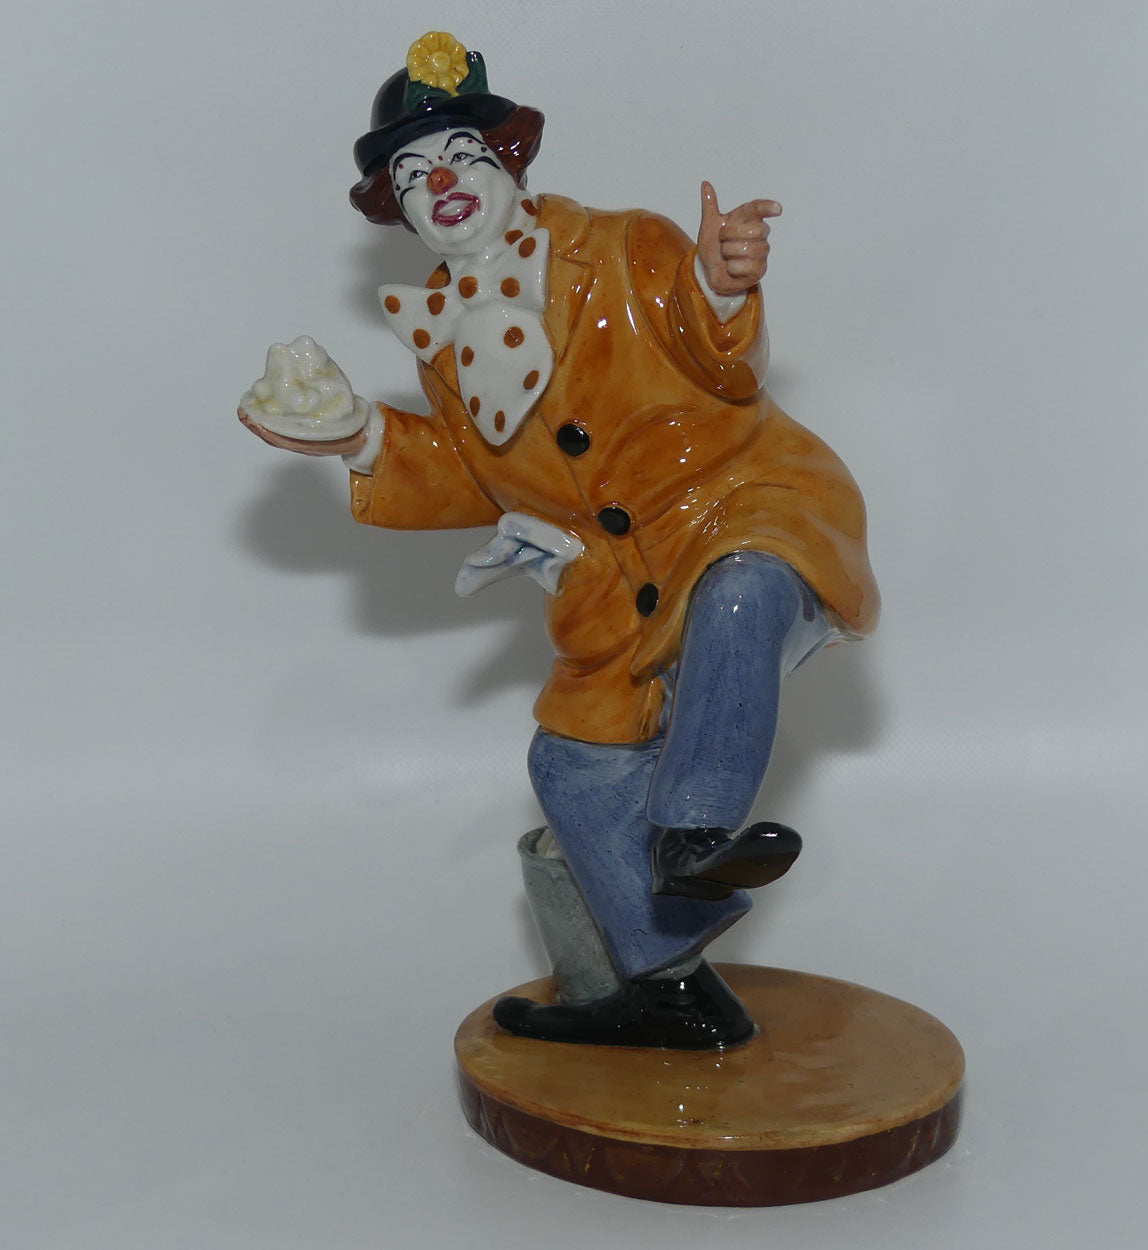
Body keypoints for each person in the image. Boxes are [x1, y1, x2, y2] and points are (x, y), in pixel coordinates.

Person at [239, 32, 879, 1048]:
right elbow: (471, 469)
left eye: (459, 155)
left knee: (742, 591)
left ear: (509, 164)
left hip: (743, 507)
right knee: (573, 765)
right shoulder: (446, 340)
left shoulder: (623, 248)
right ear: (399, 213)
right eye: (411, 175)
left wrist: (720, 284)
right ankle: (667, 988)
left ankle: (696, 832)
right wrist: (358, 434)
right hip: (612, 589)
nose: (440, 183)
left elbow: (716, 351)